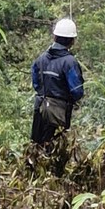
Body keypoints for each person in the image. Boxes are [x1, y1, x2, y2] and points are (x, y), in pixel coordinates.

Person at [31, 19, 84, 147]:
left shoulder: (41, 59)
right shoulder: (70, 62)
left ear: (54, 36)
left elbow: (36, 83)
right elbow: (77, 91)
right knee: (56, 149)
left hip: (40, 107)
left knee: (37, 147)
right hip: (59, 112)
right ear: (72, 41)